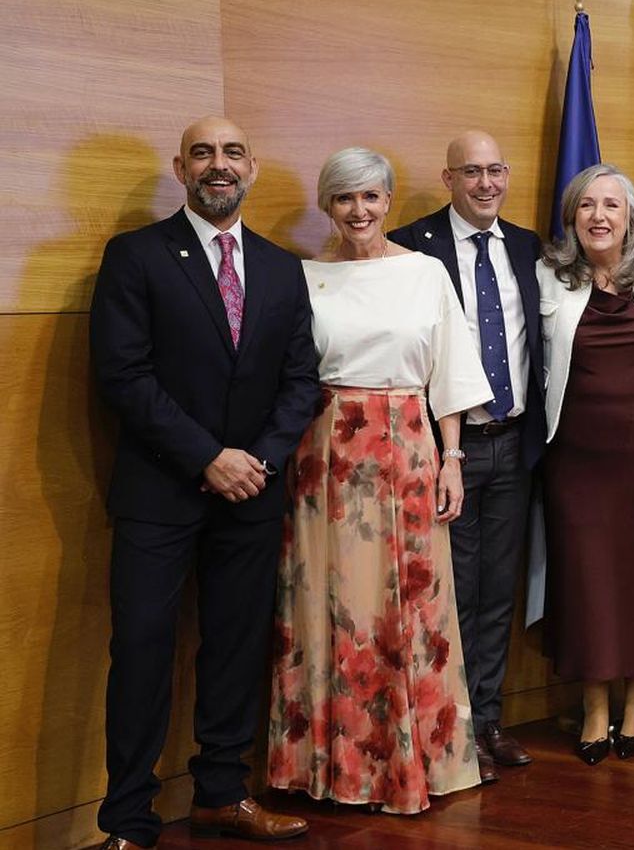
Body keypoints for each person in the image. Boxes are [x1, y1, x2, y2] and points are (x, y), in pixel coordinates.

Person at [88, 116, 318, 850]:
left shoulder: (283, 268)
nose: (219, 165)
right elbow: (124, 375)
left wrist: (258, 460)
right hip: (159, 493)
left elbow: (301, 380)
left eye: (233, 152)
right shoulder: (136, 256)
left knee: (234, 646)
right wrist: (206, 457)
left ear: (252, 165)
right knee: (144, 650)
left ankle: (223, 792)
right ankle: (128, 819)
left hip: (252, 492)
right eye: (204, 153)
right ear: (181, 166)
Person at [268, 147, 493, 810]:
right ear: (327, 206)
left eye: (369, 197)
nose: (358, 211)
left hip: (408, 452)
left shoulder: (425, 273)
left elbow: (450, 375)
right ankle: (325, 767)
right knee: (325, 602)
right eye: (344, 199)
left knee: (410, 604)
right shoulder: (301, 277)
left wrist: (453, 461)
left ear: (387, 200)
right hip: (323, 455)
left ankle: (410, 763)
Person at [387, 130, 546, 783]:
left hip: (512, 446)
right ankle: (440, 730)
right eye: (471, 172)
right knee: (444, 594)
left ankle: (486, 724)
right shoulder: (408, 247)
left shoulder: (532, 248)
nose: (486, 183)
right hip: (438, 450)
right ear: (447, 177)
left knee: (496, 593)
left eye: (496, 170)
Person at [537, 163, 634, 764]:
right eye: (587, 205)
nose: (599, 216)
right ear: (572, 216)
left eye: (612, 205)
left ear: (632, 217)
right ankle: (596, 706)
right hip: (574, 458)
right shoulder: (548, 276)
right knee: (586, 580)